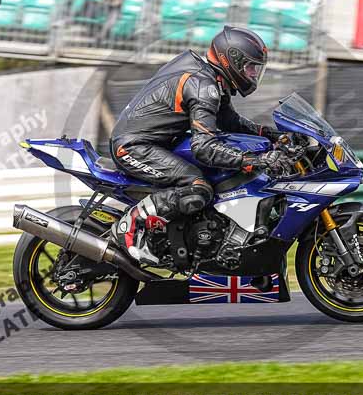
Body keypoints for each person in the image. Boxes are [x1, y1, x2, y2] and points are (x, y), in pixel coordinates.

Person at [109, 26, 293, 264]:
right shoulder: (203, 86)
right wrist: (253, 160)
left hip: (155, 143)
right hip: (133, 147)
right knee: (197, 187)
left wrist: (269, 134)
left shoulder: (210, 79)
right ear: (232, 60)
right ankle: (129, 225)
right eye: (250, 67)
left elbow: (229, 121)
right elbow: (204, 147)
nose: (253, 74)